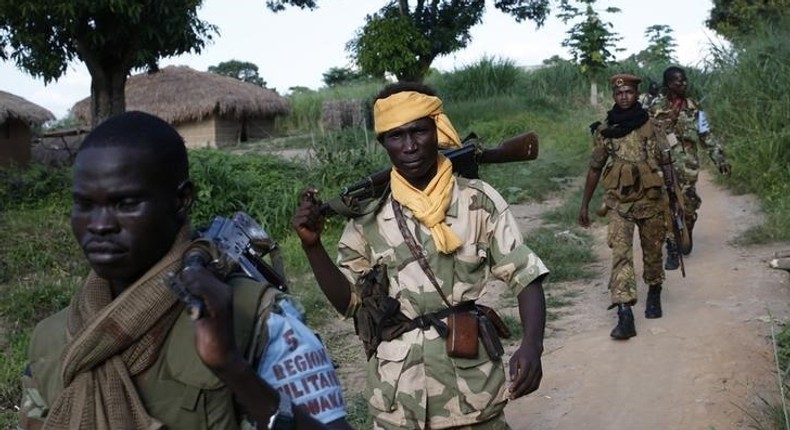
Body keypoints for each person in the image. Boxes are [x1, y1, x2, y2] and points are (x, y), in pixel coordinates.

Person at [18, 111, 352, 430]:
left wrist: (231, 367)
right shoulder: (53, 338)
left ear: (182, 199)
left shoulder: (261, 319)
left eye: (127, 203)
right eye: (85, 205)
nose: (100, 225)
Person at [292, 81, 549, 429]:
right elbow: (350, 302)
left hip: (471, 391)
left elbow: (526, 275)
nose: (410, 145)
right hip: (399, 400)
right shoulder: (368, 217)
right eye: (396, 136)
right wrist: (312, 247)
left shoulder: (477, 200)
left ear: (437, 130)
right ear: (383, 142)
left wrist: (533, 345)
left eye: (418, 131)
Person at [578, 74, 675, 340]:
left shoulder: (651, 125)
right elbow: (595, 168)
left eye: (629, 92)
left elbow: (666, 161)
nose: (624, 97)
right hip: (620, 203)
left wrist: (673, 195)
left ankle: (654, 290)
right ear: (614, 96)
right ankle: (624, 312)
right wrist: (584, 204)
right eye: (619, 93)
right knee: (620, 255)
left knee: (653, 251)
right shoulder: (607, 129)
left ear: (636, 94)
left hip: (651, 200)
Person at [648, 66, 732, 269]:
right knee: (664, 206)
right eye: (678, 81)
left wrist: (719, 160)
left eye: (684, 80)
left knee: (688, 205)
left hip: (687, 166)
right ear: (668, 84)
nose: (683, 84)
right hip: (662, 166)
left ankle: (686, 229)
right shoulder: (655, 106)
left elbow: (706, 136)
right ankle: (671, 249)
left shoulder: (694, 108)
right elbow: (646, 136)